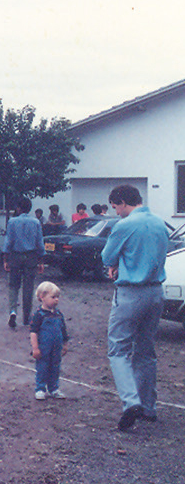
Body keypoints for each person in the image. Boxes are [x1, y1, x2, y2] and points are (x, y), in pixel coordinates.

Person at [101, 184, 169, 431]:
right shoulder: (160, 223)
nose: (116, 212)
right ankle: (149, 407)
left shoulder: (125, 225)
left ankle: (130, 402)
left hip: (130, 293)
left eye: (116, 207)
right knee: (146, 350)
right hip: (155, 292)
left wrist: (116, 264)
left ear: (122, 201)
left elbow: (107, 257)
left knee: (118, 349)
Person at [3, 197, 45, 328]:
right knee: (28, 287)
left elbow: (8, 242)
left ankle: (13, 311)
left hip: (15, 256)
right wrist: (41, 260)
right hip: (31, 257)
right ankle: (26, 317)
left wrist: (5, 259)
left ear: (18, 208)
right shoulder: (36, 222)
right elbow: (39, 243)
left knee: (13, 286)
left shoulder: (12, 222)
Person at [30, 281, 69, 400]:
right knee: (42, 367)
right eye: (53, 297)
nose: (56, 300)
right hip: (44, 348)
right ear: (42, 297)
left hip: (56, 347)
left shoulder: (59, 314)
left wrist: (65, 344)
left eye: (57, 297)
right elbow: (33, 332)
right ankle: (40, 388)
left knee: (55, 367)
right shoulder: (39, 315)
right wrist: (35, 348)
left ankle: (54, 388)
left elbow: (63, 330)